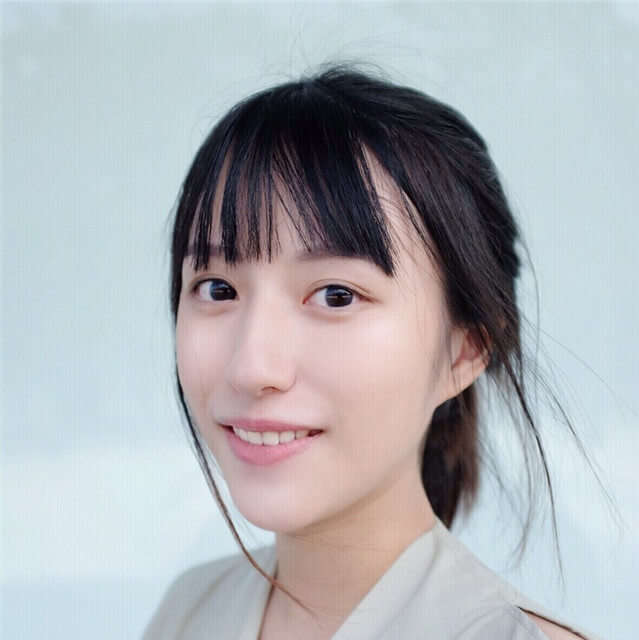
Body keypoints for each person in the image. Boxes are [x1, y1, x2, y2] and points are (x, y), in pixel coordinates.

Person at [142, 63, 607, 639]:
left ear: (464, 351)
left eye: (336, 295)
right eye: (218, 289)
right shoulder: (189, 612)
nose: (252, 367)